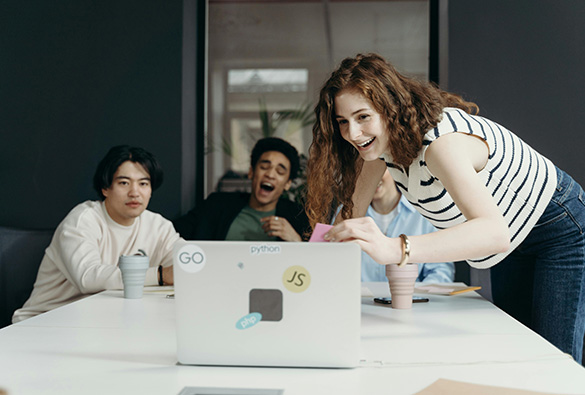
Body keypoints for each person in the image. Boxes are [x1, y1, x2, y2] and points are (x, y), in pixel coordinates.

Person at [306, 53, 585, 363]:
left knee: (556, 364)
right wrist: (310, 280)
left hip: (557, 227)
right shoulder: (375, 152)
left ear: (390, 109)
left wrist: (394, 248)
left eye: (362, 117)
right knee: (520, 353)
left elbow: (493, 233)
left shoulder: (440, 145)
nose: (352, 134)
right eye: (342, 122)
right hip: (513, 237)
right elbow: (349, 218)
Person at [13, 145, 181, 323]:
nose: (134, 192)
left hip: (101, 322)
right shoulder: (83, 220)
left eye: (143, 184)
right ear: (105, 188)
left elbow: (185, 263)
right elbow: (88, 278)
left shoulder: (158, 225)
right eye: (124, 183)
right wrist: (161, 275)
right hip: (44, 323)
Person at [173, 137, 310, 241]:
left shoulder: (297, 217)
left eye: (280, 172)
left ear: (287, 183)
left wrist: (296, 240)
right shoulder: (217, 205)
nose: (270, 174)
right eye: (264, 167)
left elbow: (315, 265)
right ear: (251, 172)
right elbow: (173, 234)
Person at [356, 168, 454, 283]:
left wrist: (418, 296)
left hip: (413, 299)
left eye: (376, 169)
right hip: (359, 300)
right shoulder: (346, 216)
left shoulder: (424, 213)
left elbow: (441, 271)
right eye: (360, 171)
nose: (371, 177)